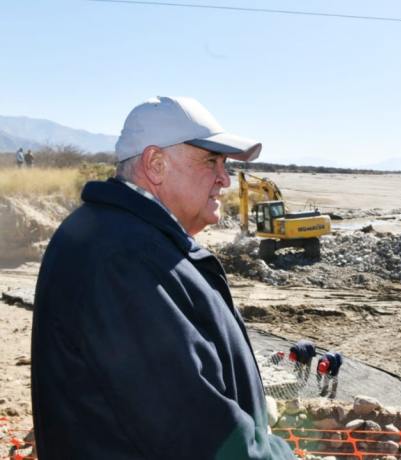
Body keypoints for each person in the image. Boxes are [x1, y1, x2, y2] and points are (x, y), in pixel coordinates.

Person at [31, 96, 295, 459]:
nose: (225, 179)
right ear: (155, 164)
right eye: (211, 161)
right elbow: (197, 433)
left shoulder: (128, 240)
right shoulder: (124, 259)